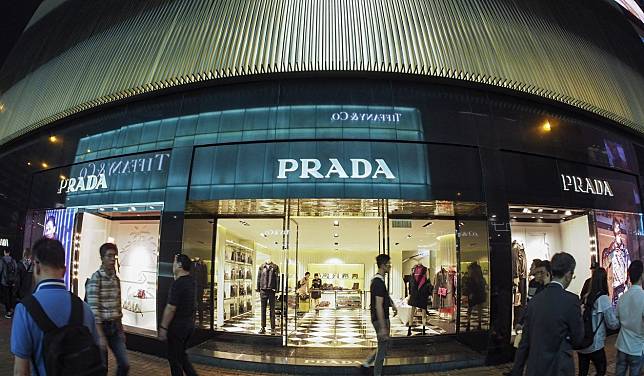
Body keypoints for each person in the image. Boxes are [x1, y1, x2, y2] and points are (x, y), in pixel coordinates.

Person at [11, 238, 100, 375]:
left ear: (37, 266)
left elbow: (21, 371)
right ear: (64, 270)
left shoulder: (24, 310)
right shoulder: (84, 309)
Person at [511, 252, 584, 376]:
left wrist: (517, 371)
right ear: (568, 274)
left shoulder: (534, 301)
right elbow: (578, 340)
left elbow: (524, 343)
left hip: (535, 368)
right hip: (559, 368)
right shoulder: (571, 301)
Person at [86, 243, 130, 375]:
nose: (112, 259)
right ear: (102, 258)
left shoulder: (116, 279)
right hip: (101, 327)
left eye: (114, 256)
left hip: (114, 327)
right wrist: (100, 335)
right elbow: (94, 309)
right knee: (102, 368)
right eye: (109, 256)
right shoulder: (96, 278)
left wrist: (121, 329)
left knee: (125, 364)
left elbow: (118, 305)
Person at [159, 253, 198, 376]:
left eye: (174, 262)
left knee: (175, 359)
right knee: (181, 356)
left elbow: (171, 308)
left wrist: (163, 327)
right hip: (188, 325)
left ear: (180, 265)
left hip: (177, 327)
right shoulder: (192, 281)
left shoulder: (178, 284)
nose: (173, 265)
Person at [577, 267, 619, 376]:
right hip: (595, 343)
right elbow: (612, 324)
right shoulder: (603, 298)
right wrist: (622, 320)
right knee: (601, 370)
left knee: (582, 372)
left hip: (582, 342)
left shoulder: (586, 297)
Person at [361, 254, 397, 376]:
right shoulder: (377, 282)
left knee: (384, 346)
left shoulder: (380, 281)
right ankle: (376, 373)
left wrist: (392, 304)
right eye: (388, 264)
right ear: (383, 265)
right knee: (383, 349)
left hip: (382, 317)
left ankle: (366, 363)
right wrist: (382, 327)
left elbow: (384, 296)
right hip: (380, 319)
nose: (390, 266)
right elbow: (378, 305)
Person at [614, 260, 643, 376]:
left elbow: (617, 319)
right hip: (637, 346)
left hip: (622, 344)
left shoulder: (622, 298)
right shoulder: (643, 297)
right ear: (642, 275)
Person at [0, 248, 18, 318]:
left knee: (6, 296)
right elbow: (16, 270)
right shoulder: (13, 260)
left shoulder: (2, 260)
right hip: (12, 281)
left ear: (4, 252)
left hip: (4, 281)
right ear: (9, 252)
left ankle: (8, 312)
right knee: (11, 295)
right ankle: (11, 308)